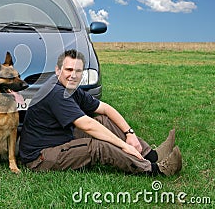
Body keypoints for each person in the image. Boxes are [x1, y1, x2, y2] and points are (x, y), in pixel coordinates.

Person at [19, 49, 182, 176]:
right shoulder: (55, 92)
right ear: (57, 70)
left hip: (60, 137)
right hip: (40, 157)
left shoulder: (70, 88)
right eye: (68, 69)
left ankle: (151, 154)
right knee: (97, 146)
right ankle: (154, 170)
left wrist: (129, 133)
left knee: (103, 120)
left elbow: (104, 108)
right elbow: (87, 125)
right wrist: (124, 146)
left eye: (78, 71)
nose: (73, 75)